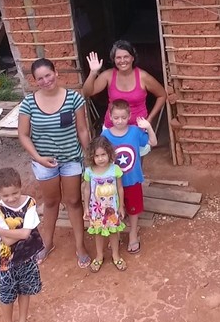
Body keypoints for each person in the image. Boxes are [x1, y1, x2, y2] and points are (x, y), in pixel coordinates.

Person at [17, 58, 91, 269]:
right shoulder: (29, 103)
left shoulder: (73, 99)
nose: (46, 80)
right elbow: (23, 135)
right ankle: (47, 243)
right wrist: (38, 158)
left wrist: (91, 155)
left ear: (56, 73)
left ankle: (80, 245)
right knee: (51, 202)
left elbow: (83, 130)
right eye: (40, 78)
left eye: (48, 75)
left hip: (71, 159)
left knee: (74, 201)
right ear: (35, 81)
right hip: (44, 162)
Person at [83, 40, 167, 153]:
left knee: (135, 162)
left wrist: (150, 118)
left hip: (137, 129)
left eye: (126, 56)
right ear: (114, 59)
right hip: (112, 128)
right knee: (112, 164)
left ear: (132, 58)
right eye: (118, 57)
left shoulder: (143, 77)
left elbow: (162, 95)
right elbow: (87, 92)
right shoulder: (108, 75)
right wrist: (93, 73)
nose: (122, 61)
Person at [0, 167, 43, 322]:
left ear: (21, 187)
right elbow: (8, 242)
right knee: (7, 296)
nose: (11, 198)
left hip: (27, 258)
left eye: (15, 193)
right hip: (6, 262)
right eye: (5, 196)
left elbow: (25, 234)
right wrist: (16, 233)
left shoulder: (30, 203)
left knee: (25, 290)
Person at [101, 99, 158, 255]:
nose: (120, 121)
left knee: (133, 209)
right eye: (116, 118)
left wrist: (149, 127)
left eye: (123, 118)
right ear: (110, 117)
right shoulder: (105, 135)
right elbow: (99, 156)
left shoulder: (135, 131)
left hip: (132, 179)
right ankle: (116, 233)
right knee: (113, 208)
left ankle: (133, 233)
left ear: (129, 116)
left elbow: (153, 142)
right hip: (111, 182)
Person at [82, 136, 127, 272]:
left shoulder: (115, 169)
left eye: (103, 154)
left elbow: (120, 188)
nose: (100, 158)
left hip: (112, 209)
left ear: (109, 153)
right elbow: (87, 189)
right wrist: (86, 208)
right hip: (96, 210)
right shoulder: (89, 171)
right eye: (97, 156)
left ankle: (115, 255)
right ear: (92, 156)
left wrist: (121, 206)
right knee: (98, 233)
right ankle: (99, 256)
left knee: (114, 232)